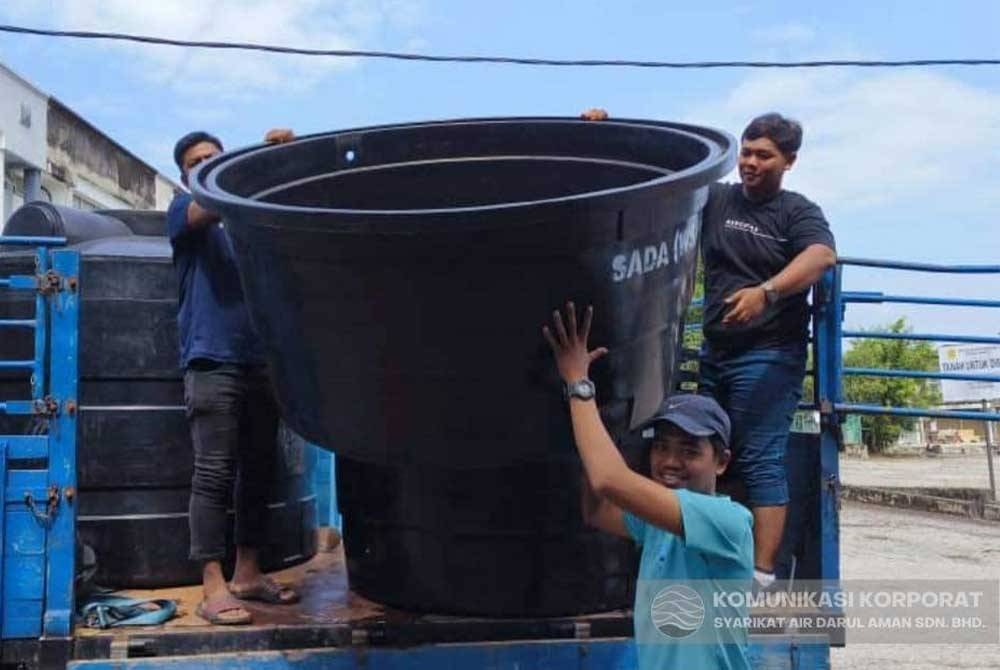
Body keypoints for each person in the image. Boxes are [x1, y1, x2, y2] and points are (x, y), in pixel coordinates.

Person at [581, 109, 837, 588]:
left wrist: (767, 292)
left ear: (790, 161)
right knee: (703, 449)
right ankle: (690, 550)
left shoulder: (795, 212)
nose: (750, 162)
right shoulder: (718, 201)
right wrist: (606, 132)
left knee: (758, 456)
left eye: (764, 155)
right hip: (718, 351)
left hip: (769, 355)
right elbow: (669, 175)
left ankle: (760, 576)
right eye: (746, 151)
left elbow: (821, 255)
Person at [544, 302, 753, 670]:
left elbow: (609, 480)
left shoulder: (727, 521)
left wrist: (579, 384)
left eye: (689, 450)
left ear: (721, 462)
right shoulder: (660, 525)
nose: (670, 462)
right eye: (661, 446)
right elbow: (596, 510)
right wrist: (600, 417)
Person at [167, 127, 300, 625]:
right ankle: (213, 583)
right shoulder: (185, 212)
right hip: (211, 361)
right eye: (197, 161)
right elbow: (213, 205)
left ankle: (247, 573)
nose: (205, 164)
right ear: (185, 175)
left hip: (259, 362)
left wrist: (282, 161)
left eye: (213, 158)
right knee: (214, 474)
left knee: (259, 471)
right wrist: (256, 165)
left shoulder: (247, 226)